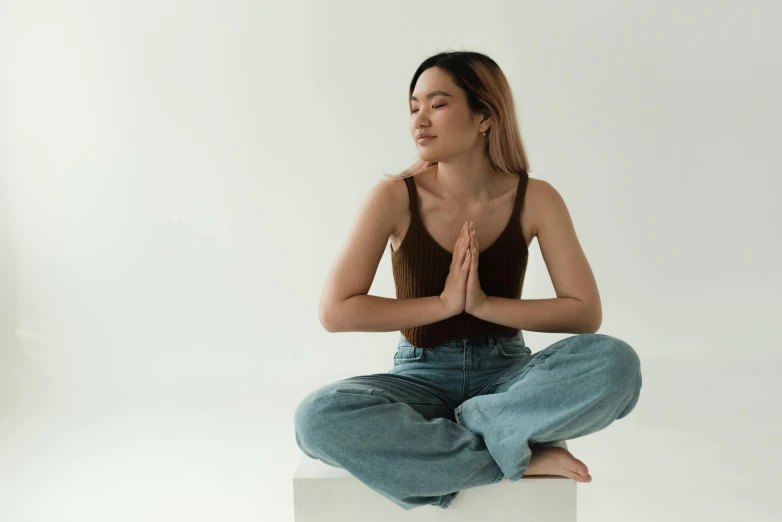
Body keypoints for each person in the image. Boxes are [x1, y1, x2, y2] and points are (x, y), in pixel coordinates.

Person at [294, 50, 642, 511]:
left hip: (508, 376)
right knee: (316, 419)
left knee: (616, 363)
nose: (420, 119)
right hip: (420, 378)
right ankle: (509, 451)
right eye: (414, 106)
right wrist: (442, 304)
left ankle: (482, 426)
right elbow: (336, 311)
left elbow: (583, 311)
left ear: (484, 116)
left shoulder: (536, 198)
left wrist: (481, 305)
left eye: (437, 104)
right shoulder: (393, 197)